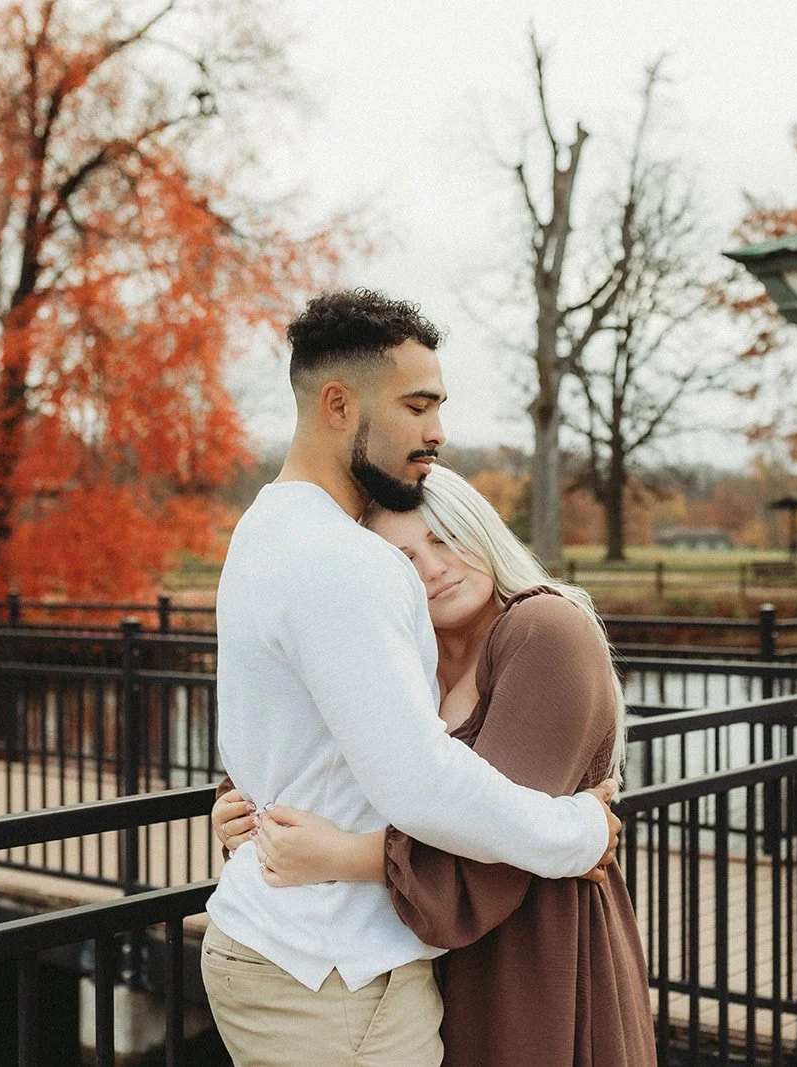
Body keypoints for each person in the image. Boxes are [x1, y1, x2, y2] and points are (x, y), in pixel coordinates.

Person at [202, 289, 621, 1067]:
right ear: (338, 404)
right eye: (417, 405)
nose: (437, 431)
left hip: (286, 948)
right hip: (332, 971)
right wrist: (579, 831)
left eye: (440, 405)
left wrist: (257, 801)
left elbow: (298, 720)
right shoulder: (345, 560)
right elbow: (423, 786)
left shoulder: (262, 529)